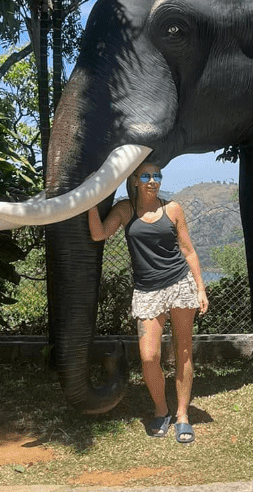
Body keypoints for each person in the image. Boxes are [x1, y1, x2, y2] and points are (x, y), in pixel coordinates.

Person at [88, 161, 209, 443]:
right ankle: (161, 409)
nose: (152, 181)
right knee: (149, 357)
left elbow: (188, 251)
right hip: (146, 291)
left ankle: (182, 415)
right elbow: (98, 234)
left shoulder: (173, 209)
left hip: (180, 285)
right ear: (134, 181)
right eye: (146, 176)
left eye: (156, 175)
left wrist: (200, 289)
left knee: (183, 351)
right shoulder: (124, 210)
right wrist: (91, 203)